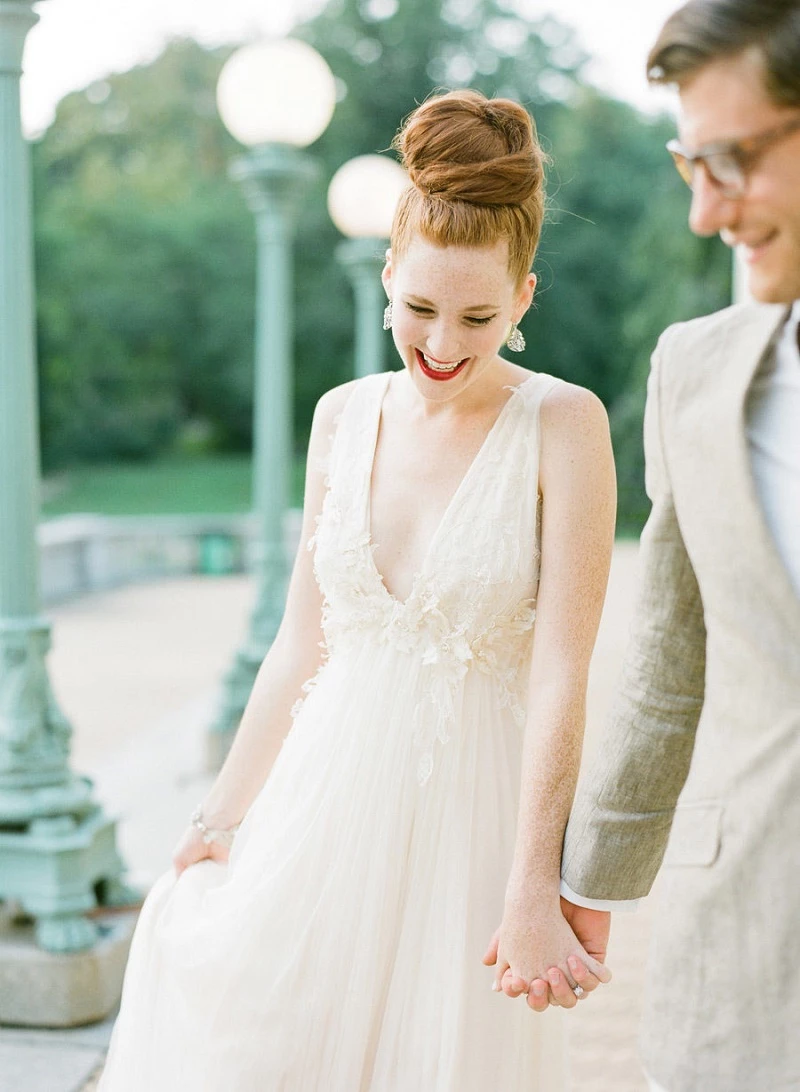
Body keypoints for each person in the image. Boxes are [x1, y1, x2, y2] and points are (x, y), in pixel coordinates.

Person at [97, 89, 617, 1091]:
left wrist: (531, 886)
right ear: (385, 276)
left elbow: (562, 673)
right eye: (418, 307)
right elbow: (300, 645)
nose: (440, 343)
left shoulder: (565, 426)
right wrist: (216, 818)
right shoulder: (341, 416)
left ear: (522, 299)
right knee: (254, 1028)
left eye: (476, 314)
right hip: (321, 803)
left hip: (471, 825)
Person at [487, 1, 800, 1089]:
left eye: (731, 160)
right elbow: (667, 660)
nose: (703, 212)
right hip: (748, 948)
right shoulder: (695, 372)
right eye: (685, 165)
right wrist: (578, 894)